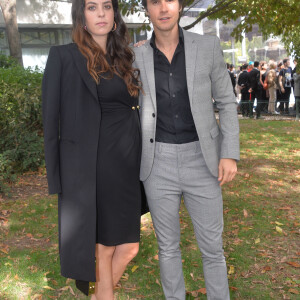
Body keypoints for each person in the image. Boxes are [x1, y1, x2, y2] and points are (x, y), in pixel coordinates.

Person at [134, 0, 239, 299]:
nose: (163, 8)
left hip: (203, 160)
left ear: (179, 6)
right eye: (155, 2)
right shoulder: (135, 54)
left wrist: (229, 152)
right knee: (167, 248)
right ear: (147, 9)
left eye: (169, 0)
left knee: (212, 248)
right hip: (157, 162)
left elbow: (227, 102)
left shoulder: (207, 46)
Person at [42, 0, 145, 298]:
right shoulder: (64, 56)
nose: (100, 13)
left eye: (106, 6)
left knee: (128, 247)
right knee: (104, 247)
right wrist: (57, 178)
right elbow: (51, 121)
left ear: (114, 15)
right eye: (91, 7)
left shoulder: (125, 56)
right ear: (81, 16)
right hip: (92, 167)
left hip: (127, 167)